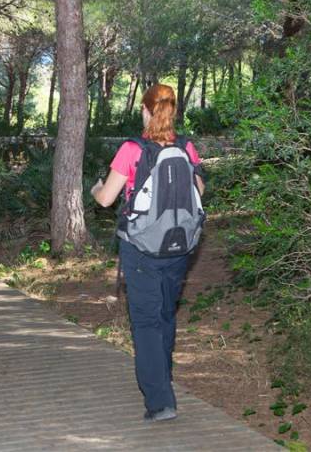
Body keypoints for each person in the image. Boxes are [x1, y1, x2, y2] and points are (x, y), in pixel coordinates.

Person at [91, 83, 205, 422]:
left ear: (145, 110)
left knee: (145, 321)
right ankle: (162, 378)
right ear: (173, 112)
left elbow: (106, 198)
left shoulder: (132, 148)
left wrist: (96, 185)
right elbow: (199, 189)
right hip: (179, 246)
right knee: (166, 314)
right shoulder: (186, 146)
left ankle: (160, 401)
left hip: (141, 247)